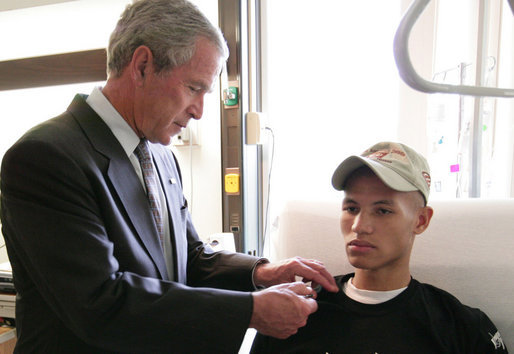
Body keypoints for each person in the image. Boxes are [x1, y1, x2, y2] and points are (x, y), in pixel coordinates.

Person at [0, 0, 338, 352]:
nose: (199, 111)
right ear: (143, 65)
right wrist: (249, 311)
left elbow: (190, 257)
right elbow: (99, 302)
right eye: (194, 88)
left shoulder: (160, 155)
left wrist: (261, 273)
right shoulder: (47, 157)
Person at [251, 141, 508, 353]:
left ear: (420, 220)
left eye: (383, 211)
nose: (360, 226)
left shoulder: (459, 327)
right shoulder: (291, 316)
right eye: (351, 209)